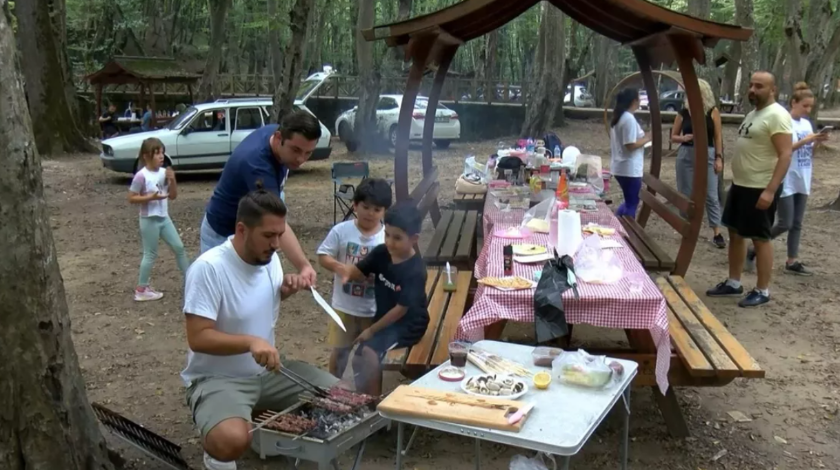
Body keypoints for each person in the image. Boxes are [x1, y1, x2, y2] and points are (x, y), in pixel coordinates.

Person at [182, 188, 338, 470]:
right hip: (218, 378)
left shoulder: (269, 259)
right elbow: (198, 337)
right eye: (269, 235)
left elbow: (256, 303)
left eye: (280, 234)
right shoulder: (209, 269)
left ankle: (255, 422)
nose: (277, 244)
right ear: (241, 229)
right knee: (229, 441)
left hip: (268, 373)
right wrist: (250, 342)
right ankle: (219, 447)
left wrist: (285, 289)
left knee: (340, 397)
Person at [200, 109, 322, 287]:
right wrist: (303, 265)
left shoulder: (278, 133)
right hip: (221, 232)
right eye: (296, 150)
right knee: (221, 297)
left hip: (251, 227)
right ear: (279, 138)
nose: (301, 159)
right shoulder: (257, 165)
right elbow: (277, 222)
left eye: (308, 153)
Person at [706, 72, 792, 308]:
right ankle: (734, 283)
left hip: (760, 187)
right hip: (741, 185)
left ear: (772, 89)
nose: (753, 89)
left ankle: (762, 290)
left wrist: (770, 190)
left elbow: (785, 154)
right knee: (735, 232)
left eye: (759, 86)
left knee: (761, 237)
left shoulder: (777, 115)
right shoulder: (754, 114)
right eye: (751, 85)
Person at [336, 203, 429, 395]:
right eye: (387, 234)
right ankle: (364, 399)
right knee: (358, 358)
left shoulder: (415, 271)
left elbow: (401, 310)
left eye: (397, 238)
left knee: (369, 353)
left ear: (414, 239)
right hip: (385, 321)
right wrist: (343, 273)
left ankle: (374, 406)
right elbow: (357, 271)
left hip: (409, 324)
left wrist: (371, 330)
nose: (389, 242)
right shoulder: (381, 253)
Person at [316, 178, 392, 378]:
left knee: (370, 354)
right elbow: (323, 255)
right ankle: (332, 385)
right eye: (366, 207)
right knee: (339, 351)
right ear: (355, 205)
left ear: (384, 211)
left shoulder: (387, 237)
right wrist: (341, 268)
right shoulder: (341, 231)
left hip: (372, 310)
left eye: (377, 209)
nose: (370, 213)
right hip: (344, 307)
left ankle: (366, 392)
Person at [765, 83, 829, 275]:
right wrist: (804, 141)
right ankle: (757, 245)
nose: (808, 110)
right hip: (786, 178)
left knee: (797, 223)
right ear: (794, 102)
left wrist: (816, 142)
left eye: (811, 106)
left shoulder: (807, 124)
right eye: (805, 106)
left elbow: (808, 153)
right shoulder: (784, 122)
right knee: (785, 222)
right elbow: (783, 150)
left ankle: (792, 260)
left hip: (803, 176)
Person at [127, 137, 190, 301]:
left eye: (162, 152)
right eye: (157, 153)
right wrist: (149, 197)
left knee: (179, 247)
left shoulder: (164, 173)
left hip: (164, 218)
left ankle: (192, 281)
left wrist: (173, 180)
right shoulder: (141, 176)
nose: (161, 156)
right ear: (146, 156)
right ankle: (141, 289)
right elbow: (132, 198)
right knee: (150, 254)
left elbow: (173, 196)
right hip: (149, 220)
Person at [671, 80, 726, 248]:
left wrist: (718, 157)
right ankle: (686, 228)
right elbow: (673, 136)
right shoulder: (684, 112)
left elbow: (717, 137)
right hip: (686, 153)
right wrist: (683, 138)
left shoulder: (712, 112)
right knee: (685, 193)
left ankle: (716, 232)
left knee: (710, 194)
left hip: (707, 153)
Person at [609, 88, 651, 218]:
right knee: (632, 203)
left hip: (621, 166)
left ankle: (616, 223)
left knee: (629, 202)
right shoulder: (628, 119)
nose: (639, 102)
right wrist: (648, 139)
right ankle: (628, 232)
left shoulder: (620, 117)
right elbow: (630, 145)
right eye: (639, 99)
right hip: (629, 169)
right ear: (634, 101)